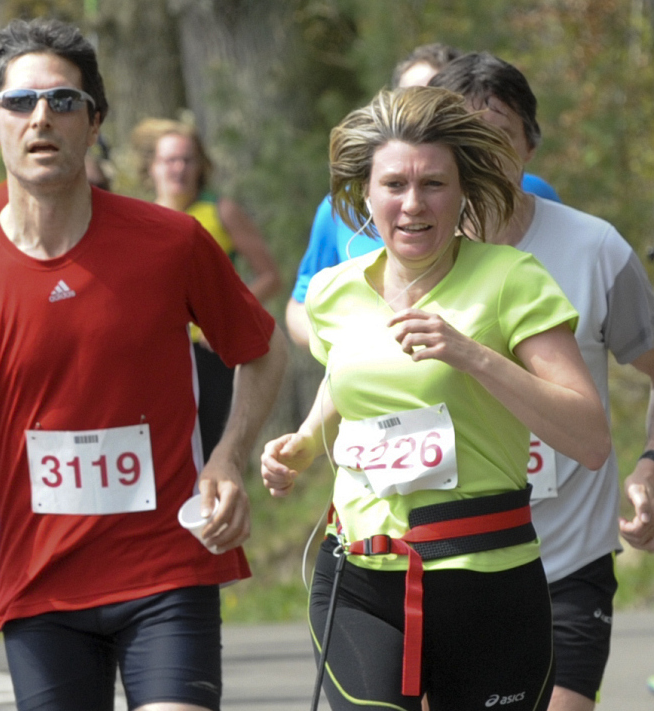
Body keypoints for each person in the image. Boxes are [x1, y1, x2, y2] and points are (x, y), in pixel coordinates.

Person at [0, 17, 287, 711]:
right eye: (20, 103)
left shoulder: (170, 241)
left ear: (94, 125)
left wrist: (228, 455)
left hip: (167, 566)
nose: (42, 119)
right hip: (42, 585)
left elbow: (261, 351)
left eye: (64, 102)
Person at [260, 86, 610, 710]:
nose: (413, 205)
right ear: (364, 195)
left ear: (464, 189)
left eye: (434, 185)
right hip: (362, 576)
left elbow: (588, 437)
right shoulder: (333, 293)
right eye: (394, 184)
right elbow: (349, 383)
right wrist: (305, 443)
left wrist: (470, 353)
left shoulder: (511, 280)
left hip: (488, 581)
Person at [429, 52, 654, 711]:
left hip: (566, 566)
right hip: (443, 565)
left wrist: (649, 463)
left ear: (530, 141)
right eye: (463, 141)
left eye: (499, 136)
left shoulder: (594, 249)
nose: (484, 158)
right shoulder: (403, 259)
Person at [285, 43, 560, 348]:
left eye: (436, 99)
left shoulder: (527, 196)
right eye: (411, 97)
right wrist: (354, 352)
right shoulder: (340, 208)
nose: (413, 204)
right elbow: (302, 304)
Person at [131, 117, 281, 461]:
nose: (179, 168)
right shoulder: (139, 219)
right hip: (159, 355)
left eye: (188, 159)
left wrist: (225, 318)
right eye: (170, 160)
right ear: (152, 167)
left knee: (209, 449)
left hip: (211, 352)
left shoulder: (221, 210)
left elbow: (270, 276)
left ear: (201, 165)